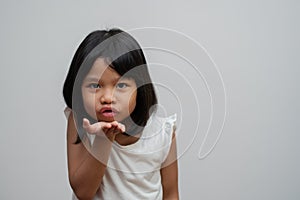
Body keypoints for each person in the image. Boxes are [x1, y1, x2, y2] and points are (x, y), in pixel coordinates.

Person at [63, 28, 179, 200]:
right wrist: (104, 138)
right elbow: (83, 192)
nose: (107, 98)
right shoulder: (79, 121)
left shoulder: (162, 132)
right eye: (95, 86)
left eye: (121, 86)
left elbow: (171, 193)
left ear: (139, 88)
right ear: (78, 88)